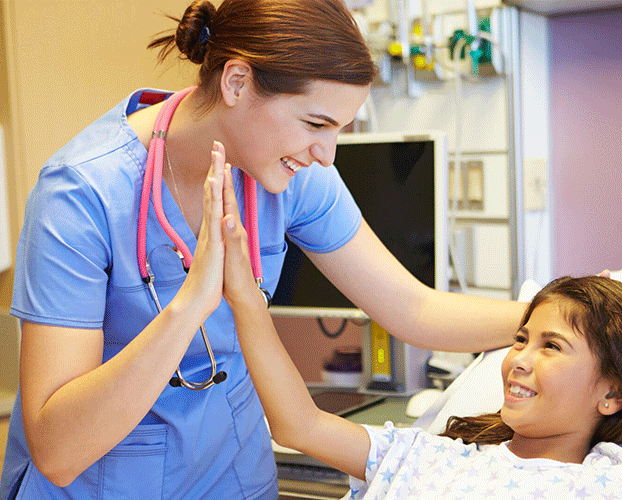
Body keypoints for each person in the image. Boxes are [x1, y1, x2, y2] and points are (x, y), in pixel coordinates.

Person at [0, 0, 535, 498]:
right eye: (315, 124)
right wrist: (190, 306)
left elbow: (412, 308)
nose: (326, 155)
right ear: (237, 81)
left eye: (340, 130)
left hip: (233, 472)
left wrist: (571, 314)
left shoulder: (290, 174)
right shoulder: (81, 193)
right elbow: (58, 450)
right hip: (101, 482)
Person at [224, 195, 622, 500]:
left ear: (613, 394)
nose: (519, 359)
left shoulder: (603, 485)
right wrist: (244, 296)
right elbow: (298, 427)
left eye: (551, 347)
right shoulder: (431, 455)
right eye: (520, 339)